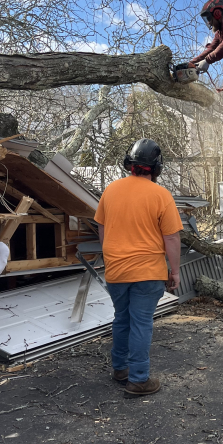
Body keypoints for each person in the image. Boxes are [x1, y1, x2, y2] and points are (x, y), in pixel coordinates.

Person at [94, 138, 183, 397]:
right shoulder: (160, 195)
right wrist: (174, 271)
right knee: (141, 323)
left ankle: (120, 369)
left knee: (122, 319)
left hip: (117, 271)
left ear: (129, 164)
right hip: (148, 272)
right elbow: (171, 237)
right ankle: (139, 379)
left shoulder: (110, 190)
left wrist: (110, 254)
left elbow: (101, 226)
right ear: (156, 168)